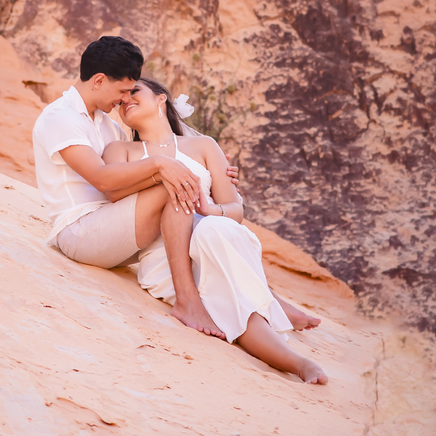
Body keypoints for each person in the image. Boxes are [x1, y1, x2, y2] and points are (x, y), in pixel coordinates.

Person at [103, 77, 327, 384]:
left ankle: (297, 360)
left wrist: (211, 211)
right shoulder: (120, 150)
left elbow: (236, 210)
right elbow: (113, 192)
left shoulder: (204, 146)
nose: (127, 99)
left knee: (214, 232)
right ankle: (292, 352)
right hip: (167, 258)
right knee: (228, 294)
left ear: (160, 99)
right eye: (122, 97)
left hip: (218, 239)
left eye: (135, 92)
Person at [32, 36, 224, 338]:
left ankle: (256, 303)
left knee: (198, 223)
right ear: (98, 80)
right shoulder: (60, 118)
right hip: (79, 232)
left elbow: (131, 175)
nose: (124, 100)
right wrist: (162, 165)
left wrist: (212, 173)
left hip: (115, 228)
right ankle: (187, 301)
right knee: (168, 189)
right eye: (122, 91)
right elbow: (103, 179)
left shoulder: (107, 126)